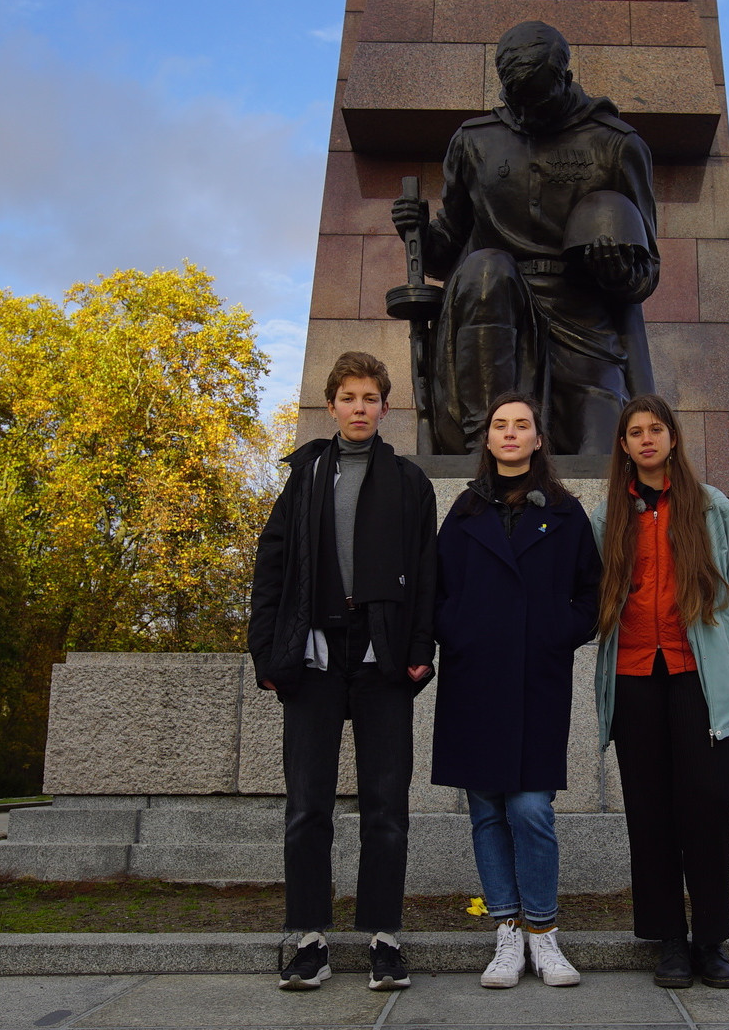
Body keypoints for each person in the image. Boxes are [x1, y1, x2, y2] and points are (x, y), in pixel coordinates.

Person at [248, 351, 438, 992]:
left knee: (387, 807)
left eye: (370, 398)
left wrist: (420, 648)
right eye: (349, 397)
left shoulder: (409, 482)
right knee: (308, 806)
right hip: (314, 658)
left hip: (383, 658)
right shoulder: (304, 475)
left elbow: (427, 575)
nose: (360, 408)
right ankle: (309, 940)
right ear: (331, 406)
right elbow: (272, 567)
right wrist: (266, 652)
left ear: (386, 408)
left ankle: (385, 939)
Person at [391, 20, 660, 456]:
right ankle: (484, 442)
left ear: (565, 79)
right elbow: (446, 250)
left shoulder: (615, 145)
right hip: (495, 309)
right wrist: (418, 232)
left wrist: (618, 271)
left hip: (582, 320)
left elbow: (647, 274)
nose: (528, 114)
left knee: (603, 456)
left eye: (539, 101)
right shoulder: (474, 142)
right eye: (517, 102)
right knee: (486, 268)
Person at [432, 392, 603, 988]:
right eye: (500, 425)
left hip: (535, 677)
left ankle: (542, 933)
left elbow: (591, 593)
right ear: (489, 439)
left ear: (537, 438)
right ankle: (506, 931)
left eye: (521, 425)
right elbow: (438, 588)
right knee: (485, 809)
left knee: (530, 809)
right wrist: (458, 631)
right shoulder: (464, 510)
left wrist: (556, 632)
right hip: (475, 678)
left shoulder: (565, 511)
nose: (510, 433)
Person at [591, 394, 729, 990]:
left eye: (656, 429)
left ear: (673, 438)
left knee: (707, 806)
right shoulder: (610, 514)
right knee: (650, 812)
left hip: (694, 677)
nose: (647, 439)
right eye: (636, 432)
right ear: (624, 446)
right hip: (634, 678)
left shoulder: (711, 507)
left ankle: (711, 939)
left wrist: (715, 657)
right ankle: (670, 942)